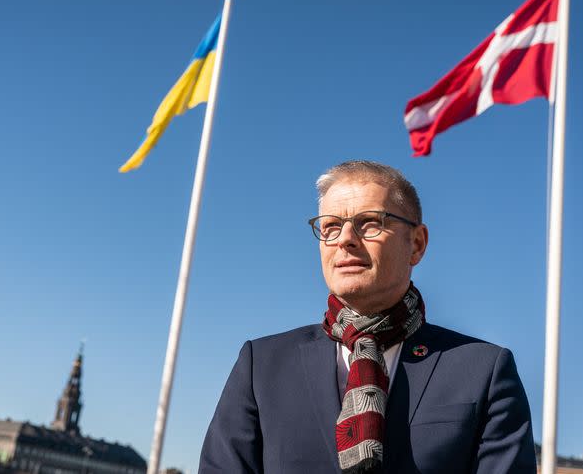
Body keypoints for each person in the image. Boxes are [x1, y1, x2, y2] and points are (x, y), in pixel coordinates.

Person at [199, 160, 535, 474]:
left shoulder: (484, 371)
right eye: (330, 227)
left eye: (370, 223)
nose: (345, 239)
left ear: (416, 244)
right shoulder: (262, 365)